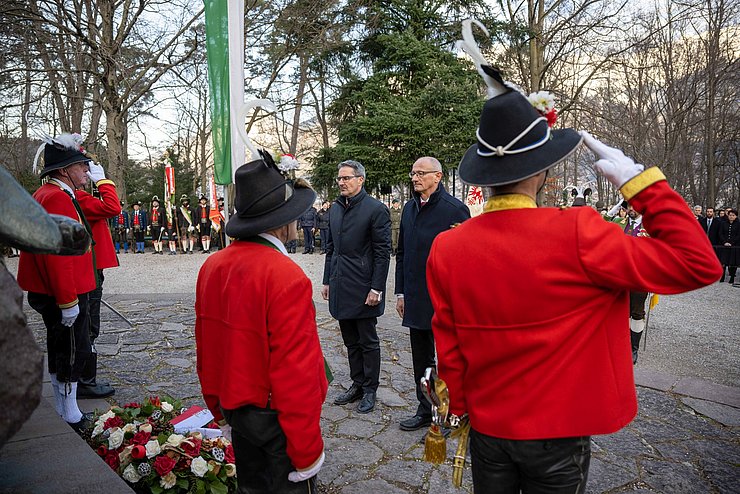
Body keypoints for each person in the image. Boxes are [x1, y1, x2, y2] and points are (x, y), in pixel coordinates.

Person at [425, 61, 721, 492]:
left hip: (488, 427)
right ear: (543, 174)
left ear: (485, 177)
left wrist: (461, 409)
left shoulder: (447, 247)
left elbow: (448, 345)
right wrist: (640, 185)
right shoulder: (578, 232)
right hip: (555, 432)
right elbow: (699, 263)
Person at [196, 152, 327, 493]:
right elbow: (295, 372)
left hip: (235, 408)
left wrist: (218, 410)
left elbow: (207, 349)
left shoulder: (213, 266)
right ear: (282, 222)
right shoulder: (286, 276)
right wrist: (307, 450)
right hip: (276, 421)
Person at [17, 133, 102, 431]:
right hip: (63, 291)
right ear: (64, 170)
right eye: (81, 166)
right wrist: (68, 302)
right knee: (71, 351)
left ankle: (65, 408)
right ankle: (70, 413)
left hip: (56, 288)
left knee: (62, 348)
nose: (86, 171)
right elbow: (58, 254)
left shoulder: (54, 194)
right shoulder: (55, 197)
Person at [395, 157, 469, 432]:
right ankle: (426, 407)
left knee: (451, 358)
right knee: (422, 359)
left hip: (445, 299)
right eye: (413, 173)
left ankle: (454, 410)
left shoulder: (455, 210)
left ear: (437, 176)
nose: (415, 178)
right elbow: (401, 254)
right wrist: (400, 292)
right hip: (415, 296)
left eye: (421, 173)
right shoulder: (408, 209)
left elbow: (463, 258)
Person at [322, 160, 391, 414]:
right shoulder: (336, 208)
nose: (341, 182)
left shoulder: (376, 210)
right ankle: (357, 383)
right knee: (350, 340)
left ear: (360, 179)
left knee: (367, 341)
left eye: (347, 178)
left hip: (364, 288)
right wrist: (327, 279)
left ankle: (370, 389)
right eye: (339, 178)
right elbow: (331, 249)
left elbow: (383, 254)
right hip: (341, 284)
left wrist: (377, 288)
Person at [75, 172, 121, 399]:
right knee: (89, 327)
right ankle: (85, 381)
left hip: (92, 266)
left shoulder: (76, 196)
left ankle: (84, 379)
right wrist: (103, 181)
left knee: (87, 325)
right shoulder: (78, 198)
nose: (85, 171)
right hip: (89, 268)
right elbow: (113, 207)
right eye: (82, 167)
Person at [718, 208, 739, 283]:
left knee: (733, 262)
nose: (731, 217)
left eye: (733, 215)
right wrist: (724, 242)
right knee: (723, 262)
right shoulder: (723, 223)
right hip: (724, 245)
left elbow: (738, 235)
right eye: (730, 215)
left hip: (734, 246)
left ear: (736, 216)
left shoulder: (738, 224)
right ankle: (722, 277)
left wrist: (732, 243)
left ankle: (732, 277)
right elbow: (720, 233)